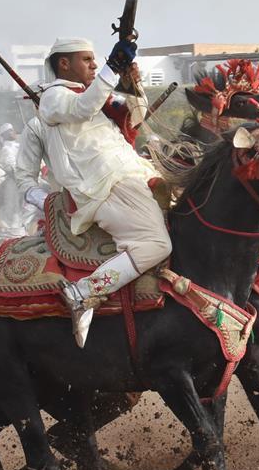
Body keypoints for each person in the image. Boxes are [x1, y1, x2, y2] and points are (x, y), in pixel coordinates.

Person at [30, 37, 168, 347]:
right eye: (87, 60)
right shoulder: (55, 96)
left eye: (96, 60)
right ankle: (84, 292)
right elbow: (83, 107)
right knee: (157, 245)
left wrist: (133, 85)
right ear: (64, 64)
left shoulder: (96, 96)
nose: (94, 65)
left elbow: (135, 117)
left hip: (130, 176)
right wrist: (110, 68)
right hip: (106, 186)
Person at [0, 123, 30, 251]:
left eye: (13, 130)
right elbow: (11, 167)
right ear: (6, 134)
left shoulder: (16, 146)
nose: (14, 132)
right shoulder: (7, 150)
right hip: (14, 184)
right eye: (11, 131)